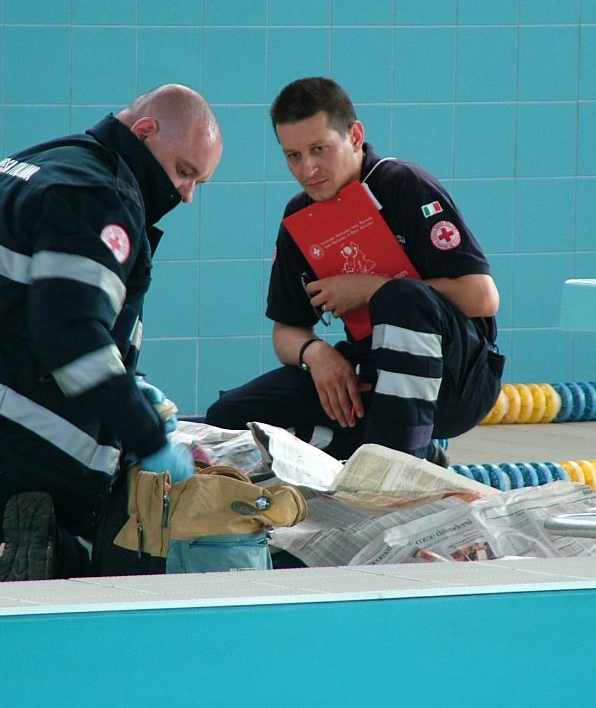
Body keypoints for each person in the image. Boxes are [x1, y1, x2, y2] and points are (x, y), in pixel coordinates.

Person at [0, 84, 223, 587]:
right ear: (144, 132)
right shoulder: (101, 193)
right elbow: (70, 334)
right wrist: (147, 436)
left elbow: (27, 307)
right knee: (120, 538)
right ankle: (45, 555)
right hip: (3, 447)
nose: (185, 194)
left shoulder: (40, 159)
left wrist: (129, 384)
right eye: (184, 172)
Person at [206, 77, 504, 462]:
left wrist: (370, 289)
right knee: (230, 417)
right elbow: (286, 330)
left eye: (319, 149)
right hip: (373, 379)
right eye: (293, 155)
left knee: (402, 297)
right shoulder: (300, 217)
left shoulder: (403, 185)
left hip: (458, 380)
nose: (308, 168)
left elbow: (482, 296)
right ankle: (393, 448)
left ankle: (401, 462)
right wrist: (316, 354)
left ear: (356, 136)